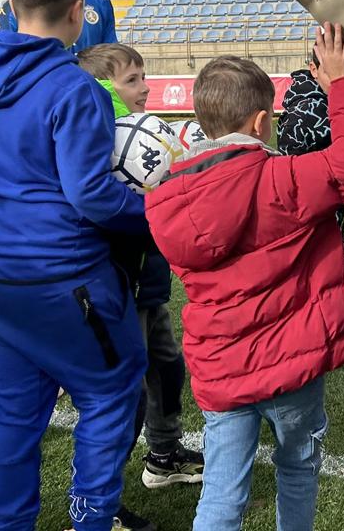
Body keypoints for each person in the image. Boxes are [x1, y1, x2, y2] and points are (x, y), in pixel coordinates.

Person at [0, 0, 148, 531]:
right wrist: (158, 212)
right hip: (63, 279)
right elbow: (93, 197)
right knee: (111, 393)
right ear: (79, 11)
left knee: (12, 409)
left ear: (12, 5)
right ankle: (91, 519)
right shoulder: (73, 88)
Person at [146, 30, 344, 531]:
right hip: (289, 366)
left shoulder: (170, 198)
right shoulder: (283, 179)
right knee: (297, 466)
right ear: (261, 121)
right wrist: (343, 83)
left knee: (222, 490)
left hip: (220, 368)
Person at [76, 43, 206, 531]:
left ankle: (165, 455)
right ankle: (98, 506)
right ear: (106, 90)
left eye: (144, 76)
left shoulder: (147, 135)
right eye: (133, 80)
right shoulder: (99, 145)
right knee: (122, 399)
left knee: (167, 368)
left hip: (151, 284)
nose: (146, 87)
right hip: (118, 290)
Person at [276, 47, 344, 240]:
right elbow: (288, 180)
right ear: (313, 69)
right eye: (333, 72)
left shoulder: (331, 102)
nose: (343, 78)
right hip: (312, 224)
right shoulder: (306, 113)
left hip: (327, 213)